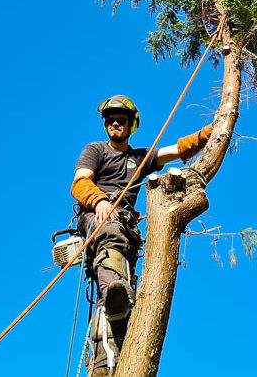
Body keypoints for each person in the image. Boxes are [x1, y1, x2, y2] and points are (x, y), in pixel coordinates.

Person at [70, 94, 212, 376]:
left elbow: (177, 150)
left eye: (120, 120)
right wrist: (99, 202)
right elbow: (80, 182)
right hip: (98, 217)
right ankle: (114, 292)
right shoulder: (95, 150)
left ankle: (105, 362)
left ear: (131, 124)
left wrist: (211, 132)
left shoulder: (140, 158)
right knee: (109, 235)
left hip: (127, 227)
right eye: (109, 120)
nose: (114, 124)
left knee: (122, 293)